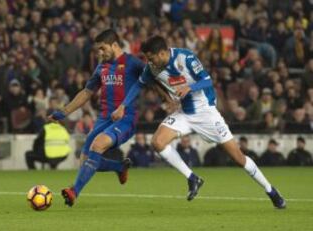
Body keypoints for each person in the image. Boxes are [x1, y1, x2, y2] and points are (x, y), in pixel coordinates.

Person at [113, 36, 286, 209]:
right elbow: (138, 84)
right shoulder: (152, 68)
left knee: (238, 158)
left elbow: (207, 80)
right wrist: (122, 106)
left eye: (151, 58)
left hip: (206, 114)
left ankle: (270, 190)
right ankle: (192, 178)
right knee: (157, 142)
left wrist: (190, 87)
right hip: (184, 114)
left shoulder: (185, 57)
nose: (149, 62)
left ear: (163, 53)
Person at [49, 29, 145, 206]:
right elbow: (87, 92)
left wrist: (169, 98)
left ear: (114, 45)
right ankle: (119, 167)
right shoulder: (102, 67)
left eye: (102, 48)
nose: (100, 53)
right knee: (85, 162)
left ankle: (73, 191)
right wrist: (64, 111)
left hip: (125, 118)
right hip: (103, 119)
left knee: (98, 145)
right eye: (97, 50)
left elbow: (152, 78)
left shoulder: (133, 63)